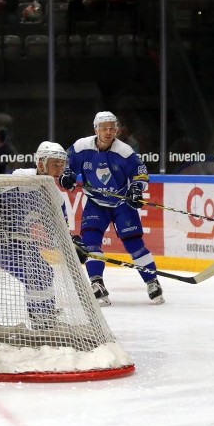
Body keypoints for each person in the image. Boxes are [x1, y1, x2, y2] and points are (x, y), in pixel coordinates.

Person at [0, 141, 81, 328]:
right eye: (54, 163)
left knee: (42, 272)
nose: (59, 168)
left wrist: (71, 244)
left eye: (61, 164)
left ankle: (42, 317)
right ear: (40, 164)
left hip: (14, 245)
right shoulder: (20, 178)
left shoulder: (55, 195)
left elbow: (57, 229)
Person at [66, 111, 163, 306]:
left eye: (112, 127)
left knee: (133, 244)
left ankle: (152, 281)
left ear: (117, 129)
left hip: (121, 203)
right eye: (104, 128)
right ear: (96, 130)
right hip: (95, 203)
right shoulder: (80, 147)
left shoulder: (124, 151)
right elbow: (66, 166)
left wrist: (136, 189)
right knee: (90, 243)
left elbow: (140, 173)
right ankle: (97, 283)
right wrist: (66, 176)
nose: (109, 131)